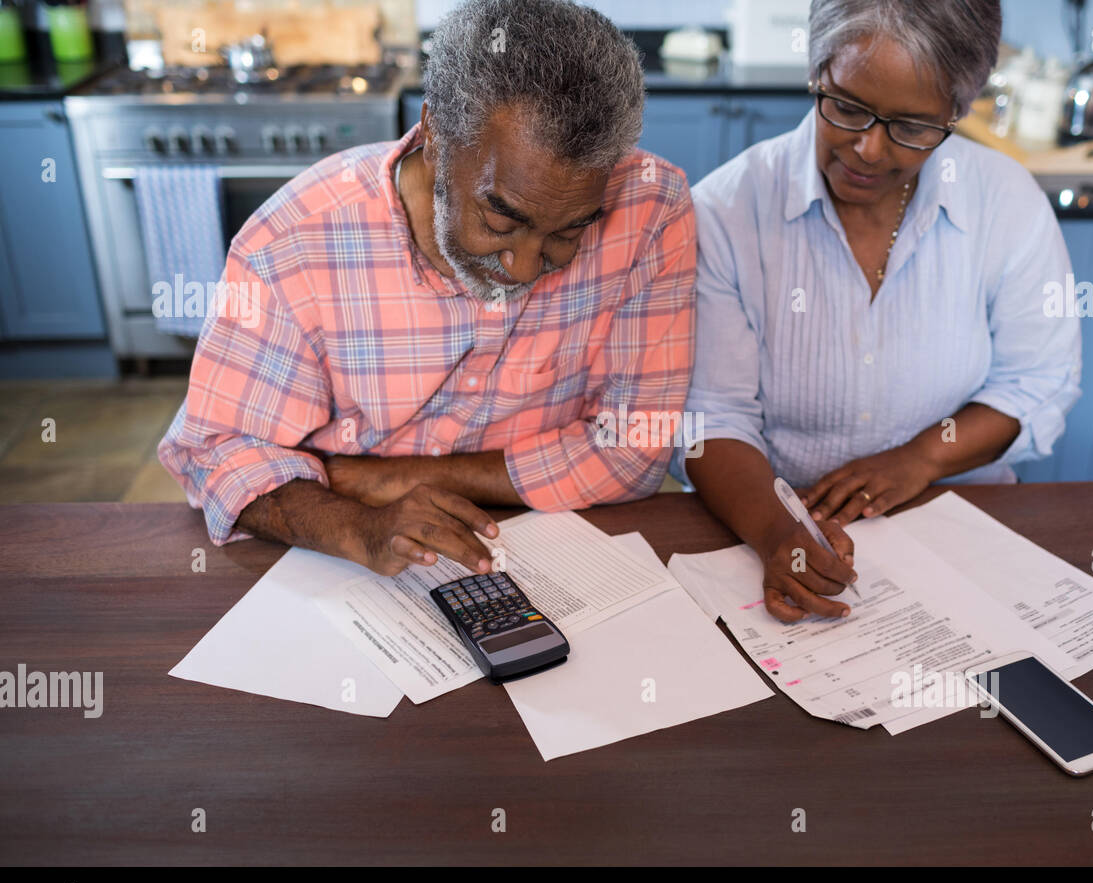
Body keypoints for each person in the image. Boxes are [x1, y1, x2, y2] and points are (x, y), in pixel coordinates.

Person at [158, 0, 696, 576]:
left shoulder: (650, 208)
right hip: (337, 563)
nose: (521, 268)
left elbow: (637, 448)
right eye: (500, 219)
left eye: (568, 232)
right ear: (435, 135)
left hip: (550, 552)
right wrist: (357, 526)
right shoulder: (295, 240)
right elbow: (218, 454)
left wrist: (379, 478)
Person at [677, 0, 1080, 622]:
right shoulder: (728, 212)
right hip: (780, 525)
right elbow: (714, 418)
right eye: (846, 107)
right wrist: (777, 532)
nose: (867, 149)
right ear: (818, 72)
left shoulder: (1005, 202)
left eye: (913, 127)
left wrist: (922, 458)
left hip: (963, 525)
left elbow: (1037, 382)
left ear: (957, 110)